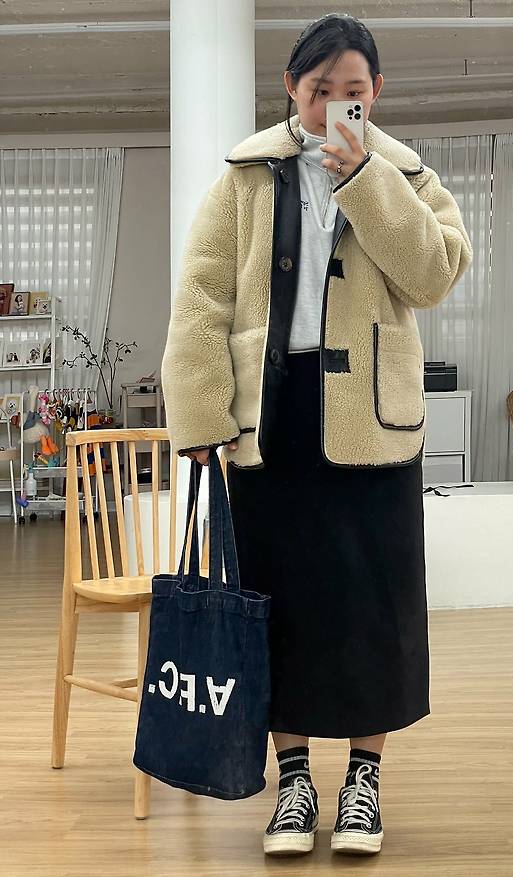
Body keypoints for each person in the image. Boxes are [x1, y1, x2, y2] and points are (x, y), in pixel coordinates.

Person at [161, 12, 472, 858]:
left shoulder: (408, 173)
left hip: (373, 421)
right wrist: (200, 415)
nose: (335, 103)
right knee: (279, 602)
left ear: (377, 92)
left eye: (353, 91)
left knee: (377, 602)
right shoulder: (244, 177)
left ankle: (364, 781)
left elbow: (434, 272)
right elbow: (201, 299)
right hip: (271, 419)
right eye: (319, 88)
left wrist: (367, 176)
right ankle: (292, 780)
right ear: (291, 89)